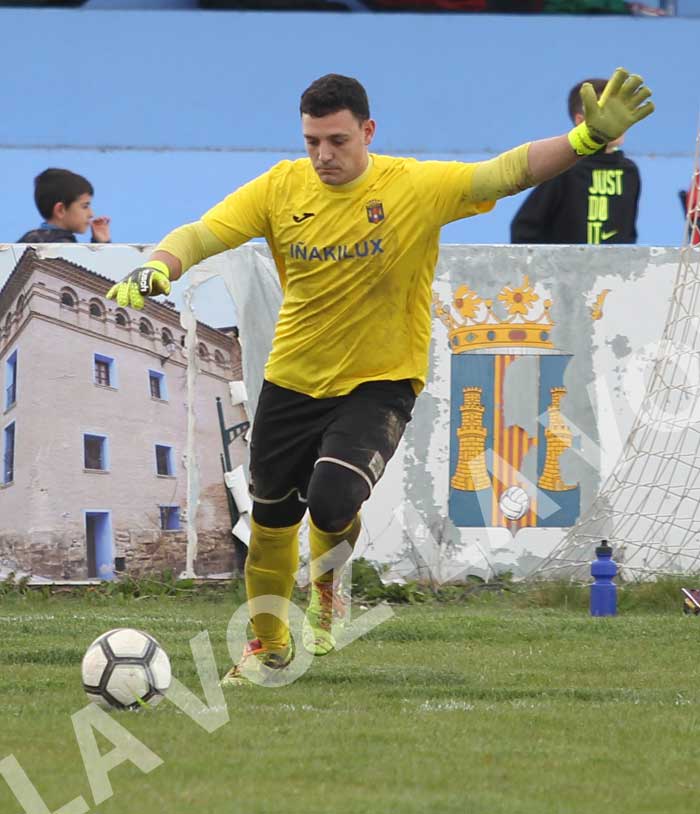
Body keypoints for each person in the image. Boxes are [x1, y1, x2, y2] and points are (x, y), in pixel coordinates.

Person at [106, 68, 653, 685]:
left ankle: (328, 590)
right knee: (271, 523)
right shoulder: (281, 188)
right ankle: (268, 648)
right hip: (292, 378)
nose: (323, 155)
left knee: (333, 498)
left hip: (381, 380)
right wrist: (161, 264)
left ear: (367, 131)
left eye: (337, 140)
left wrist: (584, 141)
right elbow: (204, 231)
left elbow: (504, 173)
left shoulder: (412, 186)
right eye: (312, 141)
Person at [510, 77, 642, 245]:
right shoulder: (564, 167)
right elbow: (524, 227)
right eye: (607, 113)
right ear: (580, 121)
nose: (618, 122)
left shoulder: (630, 171)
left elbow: (628, 233)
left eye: (620, 113)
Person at [17, 168, 111, 244]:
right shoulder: (64, 247)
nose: (91, 214)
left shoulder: (29, 239)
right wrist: (103, 246)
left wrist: (100, 242)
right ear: (60, 210)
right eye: (85, 206)